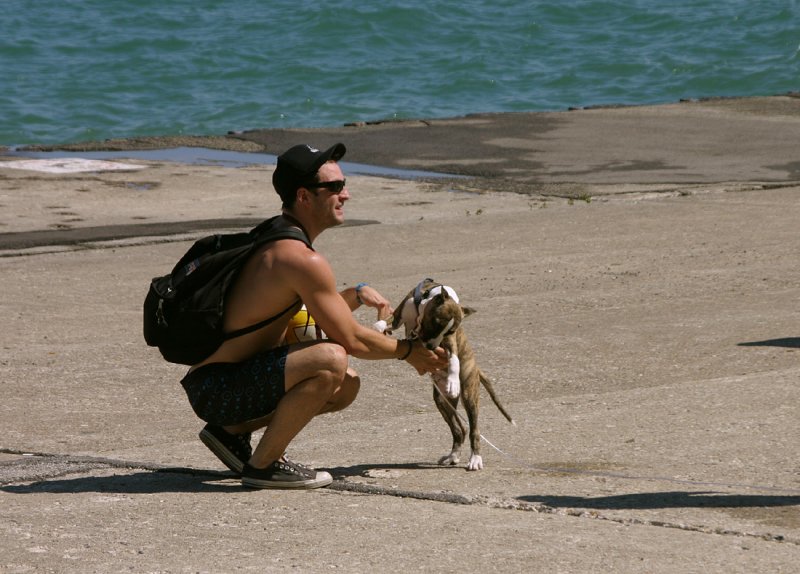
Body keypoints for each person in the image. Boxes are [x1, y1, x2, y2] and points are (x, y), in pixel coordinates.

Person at [180, 142, 449, 489]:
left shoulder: (277, 238)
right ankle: (262, 466)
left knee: (346, 384)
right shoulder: (300, 258)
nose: (346, 195)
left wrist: (355, 294)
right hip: (218, 387)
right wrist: (409, 352)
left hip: (219, 383)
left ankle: (229, 433)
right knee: (331, 360)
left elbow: (306, 316)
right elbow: (349, 338)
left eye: (344, 184)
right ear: (304, 197)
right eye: (334, 187)